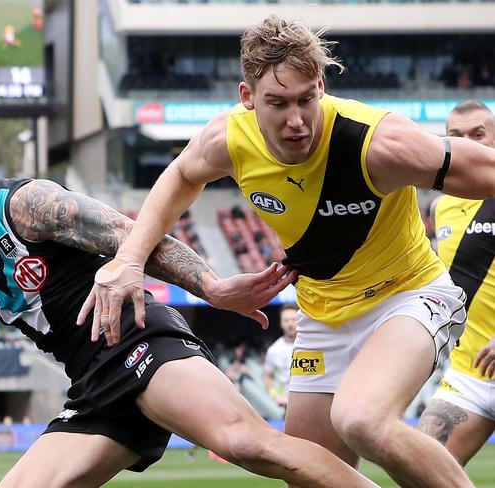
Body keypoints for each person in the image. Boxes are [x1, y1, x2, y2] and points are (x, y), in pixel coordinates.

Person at [82, 15, 495, 488]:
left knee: (361, 419)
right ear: (247, 98)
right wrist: (129, 259)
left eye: (305, 100)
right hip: (323, 312)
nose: (295, 121)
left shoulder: (378, 142)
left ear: (321, 85)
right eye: (277, 104)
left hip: (407, 296)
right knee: (308, 473)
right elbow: (180, 175)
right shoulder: (231, 138)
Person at [0, 125, 377, 488]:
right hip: (93, 391)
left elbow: (135, 235)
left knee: (247, 444)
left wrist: (212, 287)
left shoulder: (27, 207)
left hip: (140, 344)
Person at [417, 100, 495, 466]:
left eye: (478, 135)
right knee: (420, 466)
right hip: (471, 373)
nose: (467, 144)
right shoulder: (440, 206)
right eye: (456, 136)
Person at [264, 304, 298, 410]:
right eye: (286, 320)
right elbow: (268, 377)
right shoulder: (274, 350)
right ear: (281, 323)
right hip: (286, 406)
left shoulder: (312, 346)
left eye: (293, 319)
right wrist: (275, 396)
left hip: (310, 403)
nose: (290, 324)